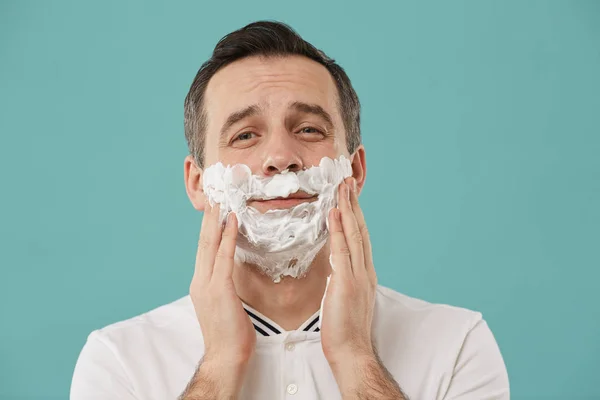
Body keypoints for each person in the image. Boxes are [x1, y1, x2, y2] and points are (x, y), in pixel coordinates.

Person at [71, 21, 510, 400]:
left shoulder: (455, 344)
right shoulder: (119, 361)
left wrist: (356, 357)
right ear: (198, 183)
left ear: (354, 171)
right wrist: (220, 365)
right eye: (245, 135)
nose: (281, 156)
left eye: (308, 128)